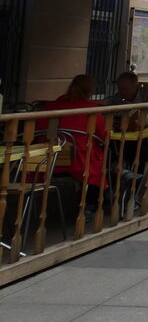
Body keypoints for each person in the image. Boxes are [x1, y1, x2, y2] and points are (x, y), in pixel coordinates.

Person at [45, 74, 108, 219]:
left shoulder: (55, 105)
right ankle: (90, 204)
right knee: (100, 161)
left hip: (49, 159)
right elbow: (104, 135)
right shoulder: (91, 110)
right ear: (90, 91)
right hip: (79, 161)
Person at [108, 71, 148, 180]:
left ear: (136, 86)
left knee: (139, 152)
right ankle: (116, 180)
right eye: (120, 89)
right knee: (107, 148)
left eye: (125, 89)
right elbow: (107, 111)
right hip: (120, 139)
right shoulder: (117, 97)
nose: (122, 92)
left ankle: (135, 183)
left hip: (144, 141)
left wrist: (135, 110)